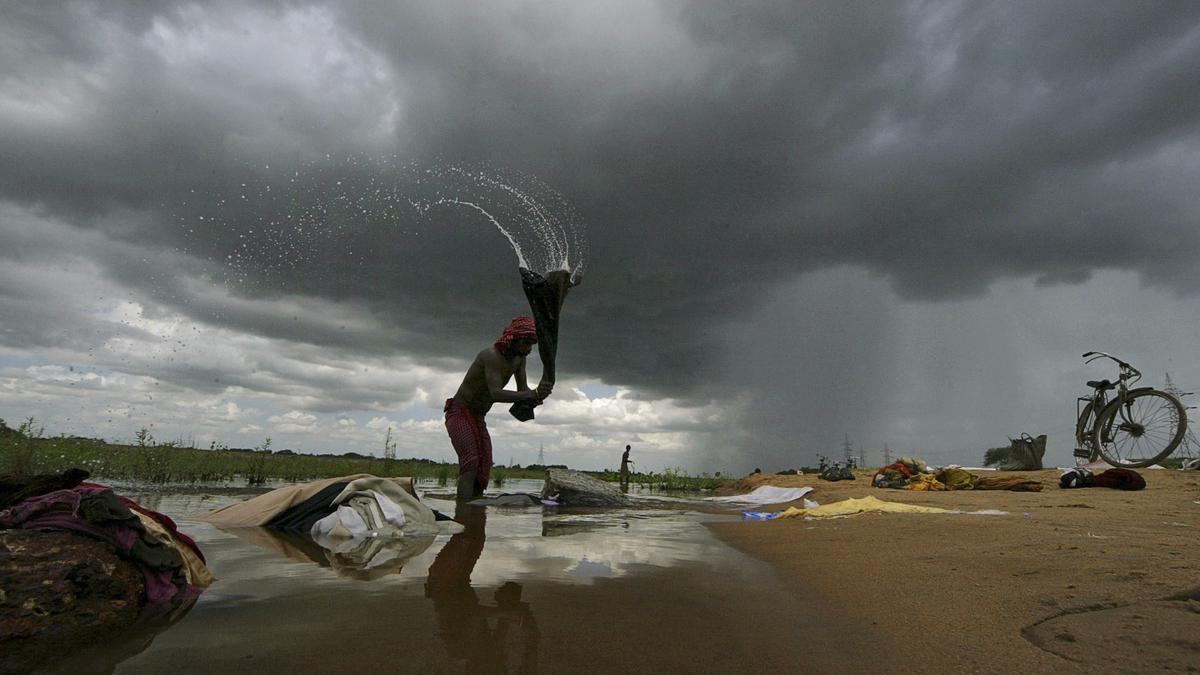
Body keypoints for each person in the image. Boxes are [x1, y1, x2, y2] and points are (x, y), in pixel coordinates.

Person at [445, 316, 553, 500]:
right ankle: (463, 509)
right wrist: (532, 394)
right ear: (513, 340)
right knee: (471, 461)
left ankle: (475, 511)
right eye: (525, 343)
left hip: (479, 416)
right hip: (460, 412)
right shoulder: (491, 356)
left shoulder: (520, 359)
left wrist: (538, 395)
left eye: (531, 345)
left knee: (483, 466)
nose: (528, 349)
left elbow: (522, 391)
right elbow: (495, 393)